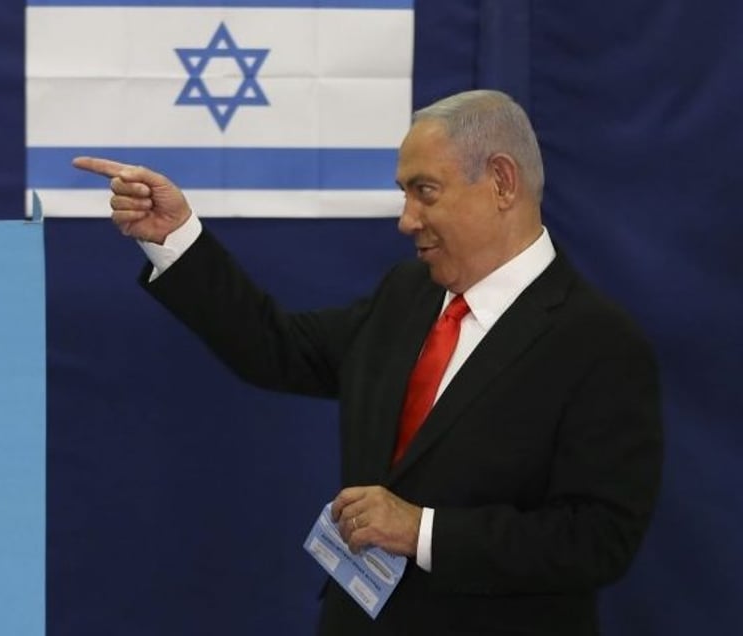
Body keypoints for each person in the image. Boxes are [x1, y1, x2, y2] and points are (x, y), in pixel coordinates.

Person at [73, 89, 663, 635]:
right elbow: (276, 347)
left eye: (424, 191)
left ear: (502, 182)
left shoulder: (599, 343)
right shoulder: (406, 296)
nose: (406, 219)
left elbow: (599, 539)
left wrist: (421, 530)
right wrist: (175, 237)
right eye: (404, 193)